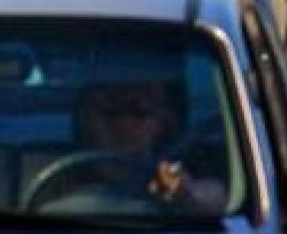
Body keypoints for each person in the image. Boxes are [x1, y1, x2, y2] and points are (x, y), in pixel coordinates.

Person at [69, 79, 226, 215]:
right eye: (111, 112)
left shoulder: (174, 175)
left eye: (139, 112)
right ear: (86, 119)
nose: (124, 125)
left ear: (162, 123)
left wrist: (186, 195)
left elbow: (213, 197)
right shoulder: (56, 179)